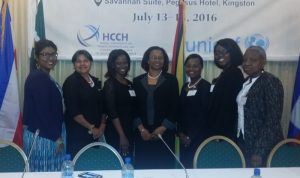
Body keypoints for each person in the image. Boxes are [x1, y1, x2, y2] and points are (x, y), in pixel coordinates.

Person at [236, 46, 284, 167]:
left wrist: (259, 150)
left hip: (263, 146)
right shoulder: (246, 81)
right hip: (245, 141)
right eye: (245, 59)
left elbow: (272, 120)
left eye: (253, 60)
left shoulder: (270, 81)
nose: (247, 63)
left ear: (263, 62)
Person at [133, 46, 179, 169]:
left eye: (160, 57)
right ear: (147, 60)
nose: (157, 60)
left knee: (164, 168)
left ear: (164, 61)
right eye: (154, 57)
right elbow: (134, 107)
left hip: (165, 134)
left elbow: (175, 106)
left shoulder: (171, 80)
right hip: (143, 135)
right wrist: (142, 129)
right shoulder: (137, 81)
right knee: (143, 168)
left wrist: (163, 128)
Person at [23, 39, 65, 171]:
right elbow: (43, 112)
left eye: (53, 54)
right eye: (45, 54)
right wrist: (56, 137)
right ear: (36, 57)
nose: (50, 58)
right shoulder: (38, 78)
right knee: (46, 172)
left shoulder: (44, 76)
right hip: (44, 138)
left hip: (48, 134)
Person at [62, 49, 106, 158]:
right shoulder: (71, 82)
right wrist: (92, 128)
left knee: (93, 163)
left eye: (85, 61)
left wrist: (102, 126)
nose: (82, 64)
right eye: (78, 61)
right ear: (74, 64)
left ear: (90, 62)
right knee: (79, 164)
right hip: (78, 133)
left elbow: (102, 105)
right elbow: (74, 111)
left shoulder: (95, 81)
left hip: (96, 133)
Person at [207, 38, 244, 141]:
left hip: (224, 133)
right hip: (218, 131)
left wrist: (218, 133)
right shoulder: (225, 74)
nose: (220, 56)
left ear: (233, 53)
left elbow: (227, 108)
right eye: (217, 53)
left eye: (224, 52)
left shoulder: (234, 74)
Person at [178, 54, 211, 168]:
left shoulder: (206, 87)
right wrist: (180, 133)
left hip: (198, 137)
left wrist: (190, 136)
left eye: (195, 66)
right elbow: (180, 111)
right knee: (185, 167)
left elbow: (204, 115)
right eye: (188, 66)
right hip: (183, 137)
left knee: (197, 168)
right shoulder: (184, 86)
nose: (191, 69)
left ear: (201, 68)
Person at [103, 49, 135, 158]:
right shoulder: (109, 84)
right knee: (118, 162)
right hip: (117, 131)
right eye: (119, 63)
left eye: (125, 62)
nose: (123, 65)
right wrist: (121, 135)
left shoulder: (130, 84)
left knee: (129, 161)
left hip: (130, 129)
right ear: (112, 65)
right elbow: (112, 112)